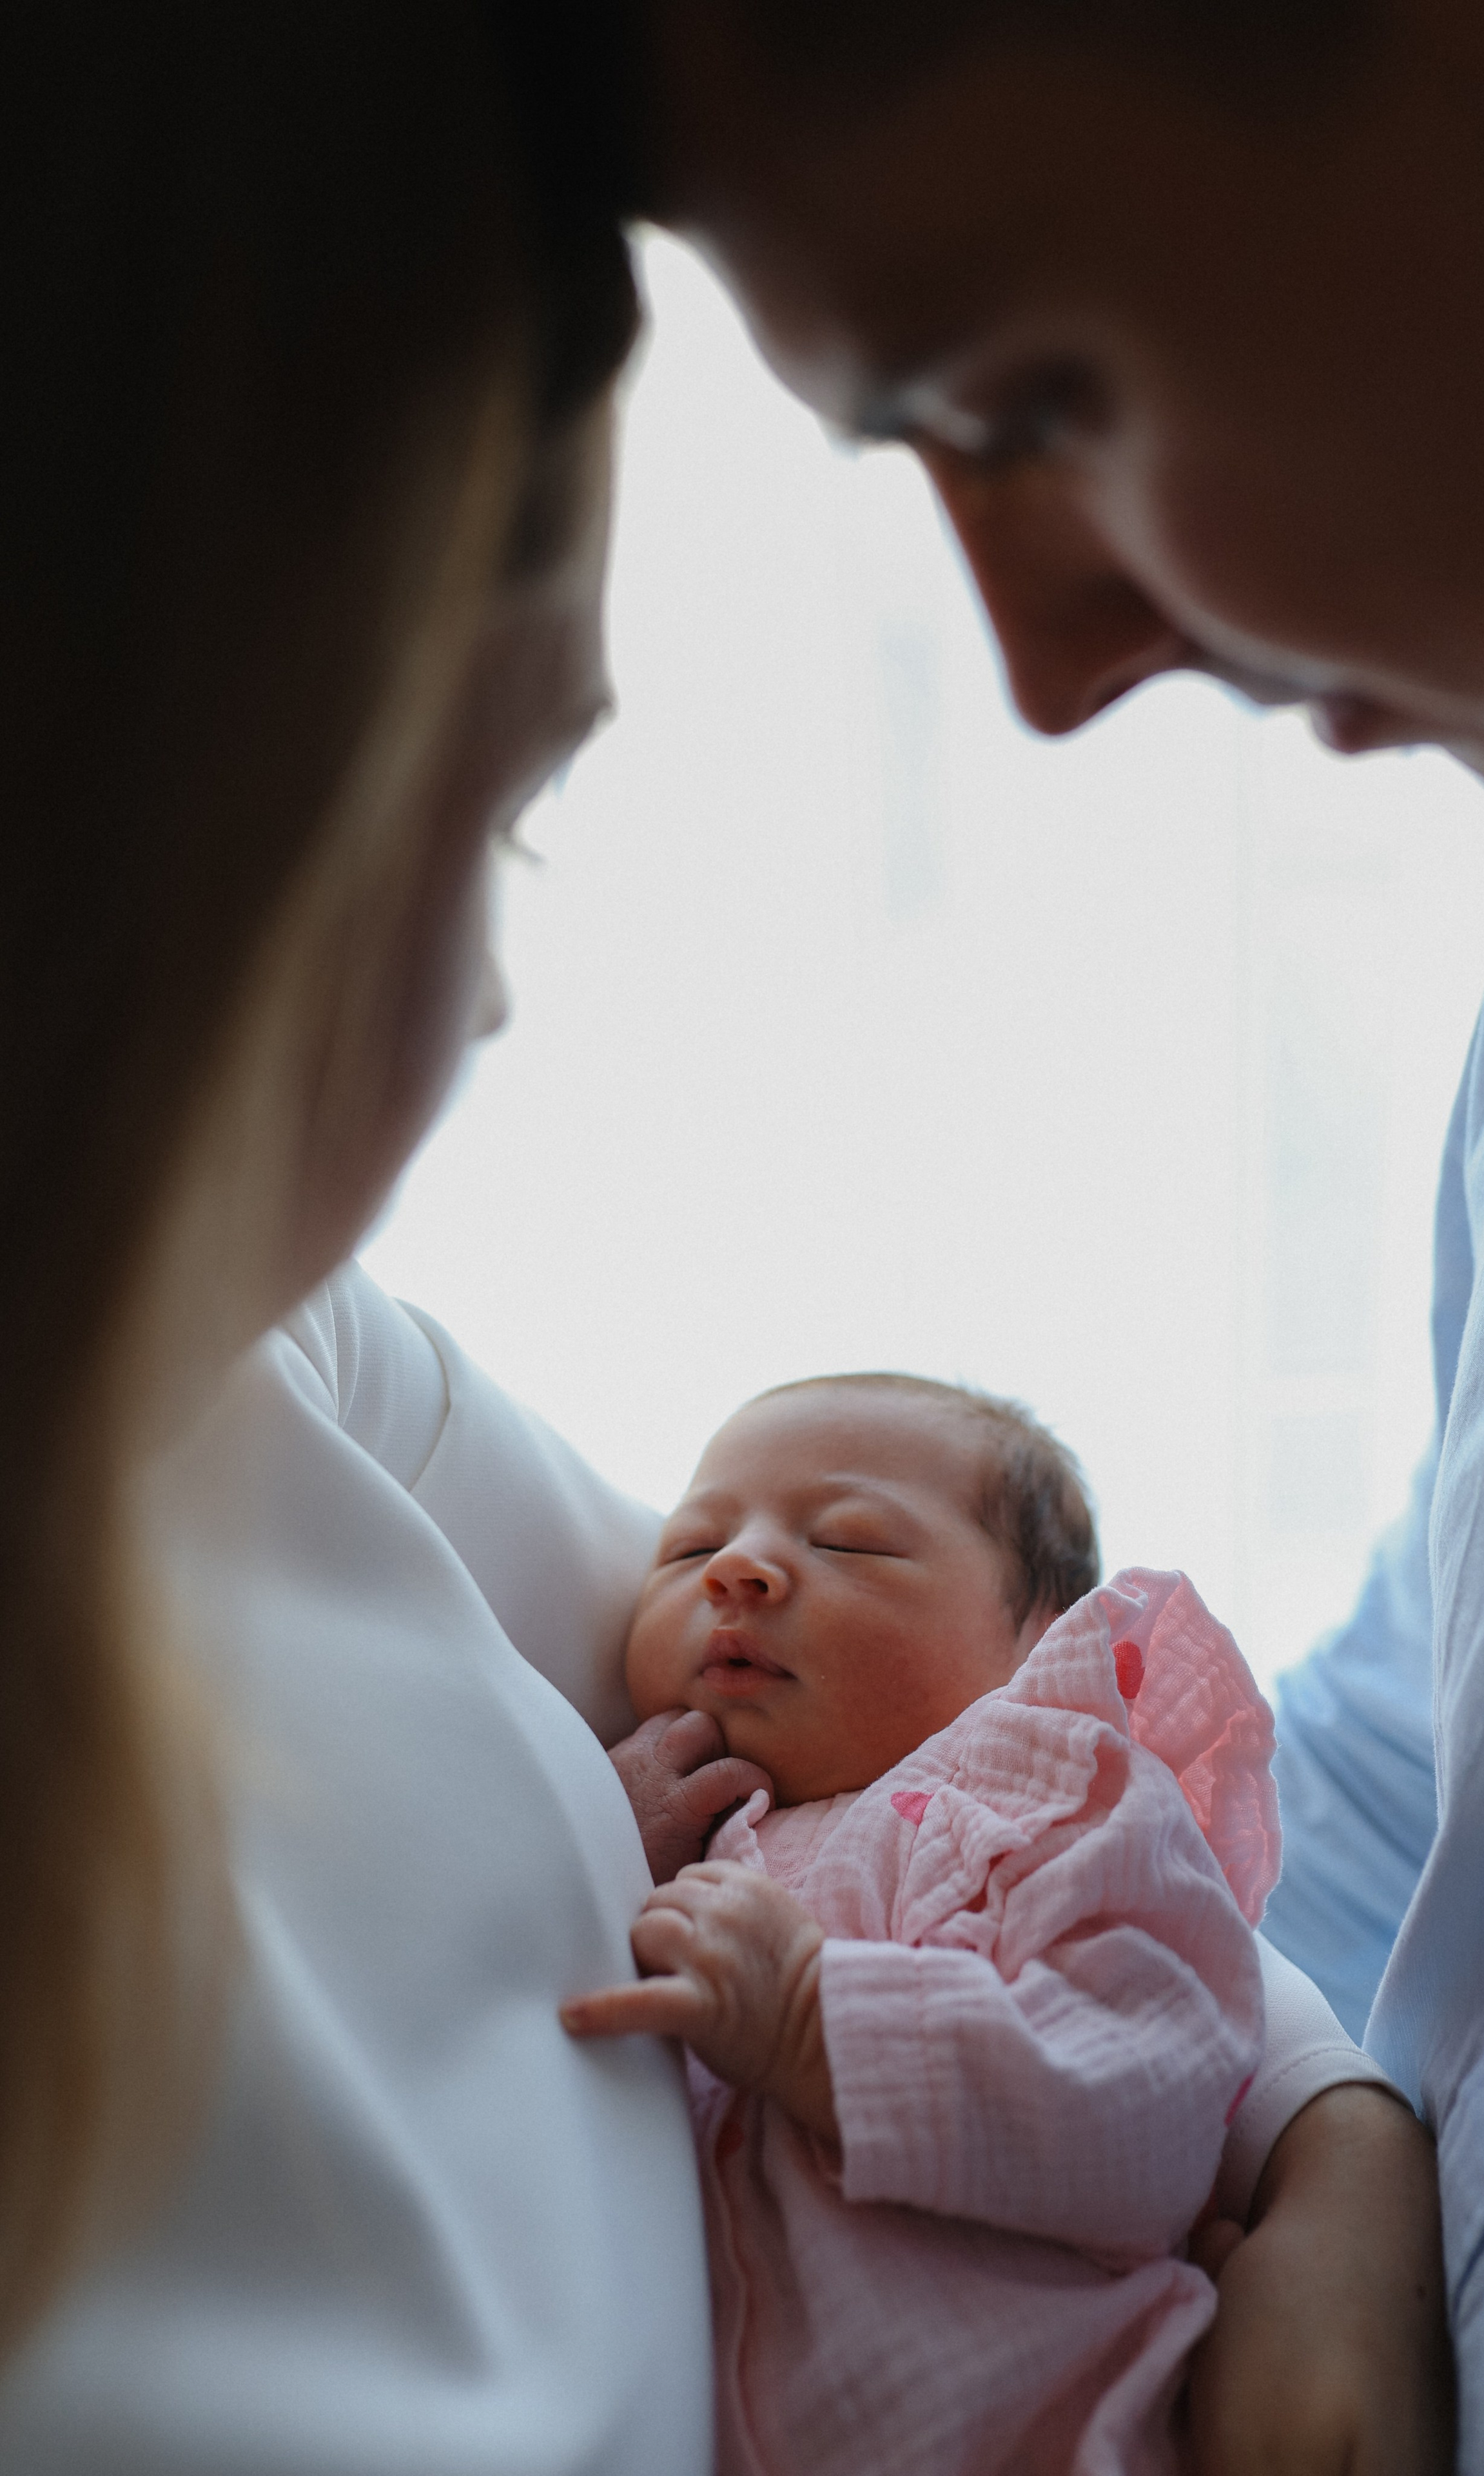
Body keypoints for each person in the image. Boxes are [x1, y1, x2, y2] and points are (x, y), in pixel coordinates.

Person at [551, 3, 1484, 2470]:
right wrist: (1344, 2140)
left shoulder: (1047, 1787)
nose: (1043, 667)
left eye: (1040, 390)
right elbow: (1438, 1790)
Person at [0, 6, 732, 2467]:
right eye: (499, 806)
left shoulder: (263, 1349)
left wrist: (1321, 2138)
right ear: (231, 788)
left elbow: (903, 1686)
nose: (503, 991)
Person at [565, 1375, 1407, 2474]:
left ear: (1035, 1643)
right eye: (688, 1551)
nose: (739, 1567)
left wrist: (819, 2024)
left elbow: (1155, 2103)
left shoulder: (1054, 1803)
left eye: (852, 1544)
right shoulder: (679, 1815)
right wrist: (580, 1822)